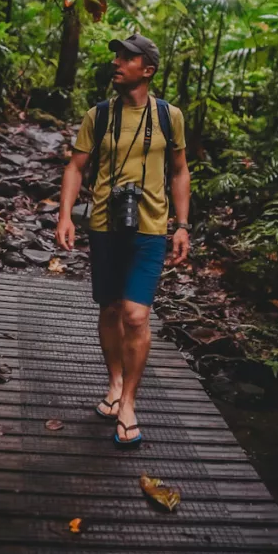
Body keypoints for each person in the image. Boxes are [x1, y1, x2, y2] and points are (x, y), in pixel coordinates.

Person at [55, 33, 191, 447]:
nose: (116, 62)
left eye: (126, 58)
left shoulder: (170, 117)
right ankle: (114, 382)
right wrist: (65, 215)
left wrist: (182, 225)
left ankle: (129, 402)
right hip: (104, 226)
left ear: (146, 70)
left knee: (136, 315)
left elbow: (180, 171)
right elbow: (76, 167)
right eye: (117, 56)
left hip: (151, 229)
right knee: (111, 307)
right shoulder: (98, 115)